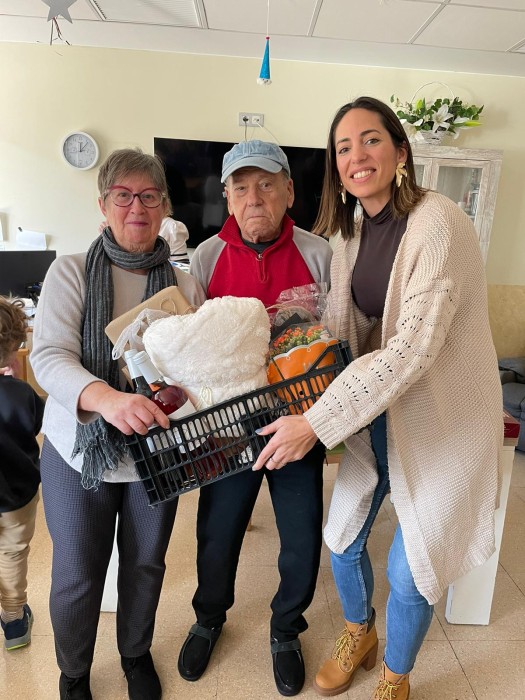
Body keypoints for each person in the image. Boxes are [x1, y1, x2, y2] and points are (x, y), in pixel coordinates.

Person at [252, 97, 503, 699]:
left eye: (370, 140)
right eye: (343, 147)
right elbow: (347, 334)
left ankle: (395, 675)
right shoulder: (350, 233)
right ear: (335, 166)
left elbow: (412, 349)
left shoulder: (439, 223)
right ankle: (359, 632)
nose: (356, 156)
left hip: (446, 417)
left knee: (410, 568)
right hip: (383, 409)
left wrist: (316, 422)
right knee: (341, 540)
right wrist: (298, 370)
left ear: (400, 150)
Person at [31, 148, 206, 700]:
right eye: (123, 196)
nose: (137, 207)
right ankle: (73, 672)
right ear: (103, 204)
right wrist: (107, 399)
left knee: (146, 565)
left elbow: (198, 369)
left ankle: (134, 654)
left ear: (164, 207)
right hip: (79, 450)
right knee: (77, 573)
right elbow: (49, 356)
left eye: (149, 196)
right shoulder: (71, 271)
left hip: (158, 454)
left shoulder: (185, 286)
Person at [181, 139, 332, 696]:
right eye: (241, 188)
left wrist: (320, 421)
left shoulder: (320, 254)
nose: (254, 198)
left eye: (266, 184)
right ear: (226, 197)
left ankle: (287, 628)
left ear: (289, 190)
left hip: (297, 424)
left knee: (301, 537)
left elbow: (337, 340)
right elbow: (192, 347)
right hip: (227, 426)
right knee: (217, 533)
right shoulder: (205, 259)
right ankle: (208, 618)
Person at [0, 297, 44, 652]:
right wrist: (14, 384)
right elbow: (38, 424)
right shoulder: (21, 394)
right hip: (16, 495)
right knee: (13, 553)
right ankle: (14, 620)